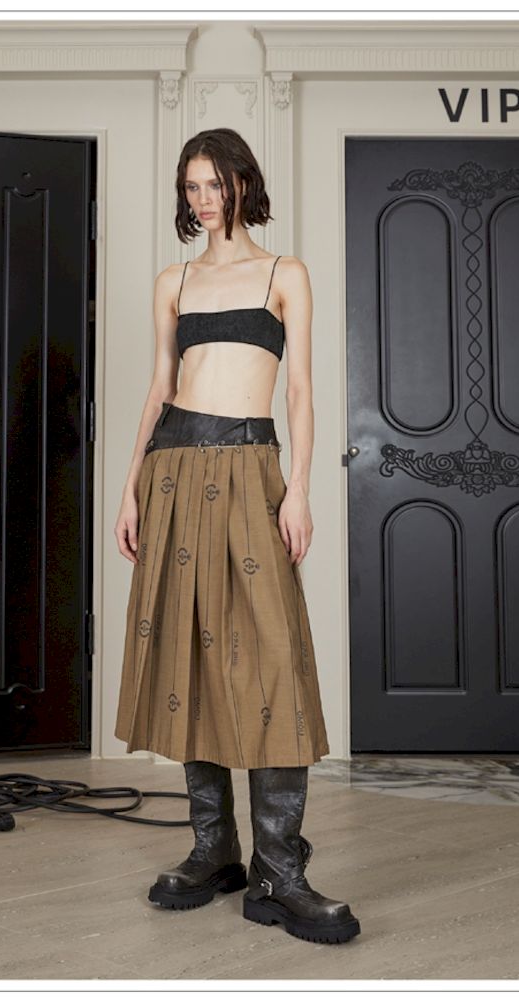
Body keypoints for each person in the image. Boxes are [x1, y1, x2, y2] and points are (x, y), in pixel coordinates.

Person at [113, 127, 360, 946]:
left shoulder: (285, 273)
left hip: (253, 470)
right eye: (191, 187)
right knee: (191, 652)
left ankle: (279, 870)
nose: (204, 199)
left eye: (215, 184)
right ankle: (214, 850)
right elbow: (160, 387)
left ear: (243, 184)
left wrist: (300, 490)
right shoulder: (175, 281)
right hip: (175, 469)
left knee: (271, 656)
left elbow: (301, 392)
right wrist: (130, 488)